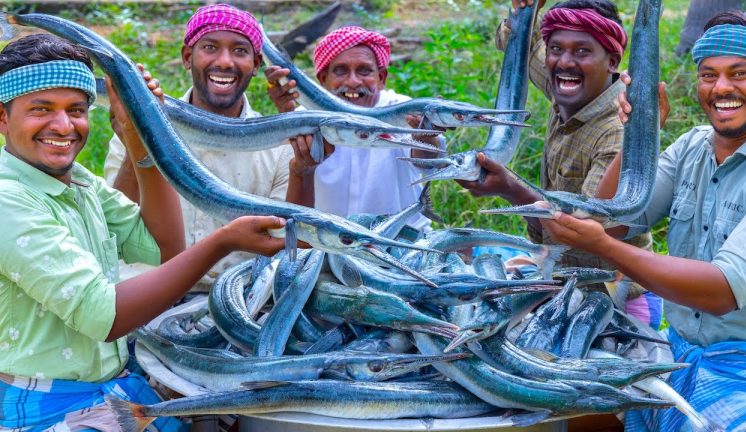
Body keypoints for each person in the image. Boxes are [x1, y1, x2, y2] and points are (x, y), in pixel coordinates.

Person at [0, 33, 285, 430]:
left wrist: (138, 134)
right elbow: (106, 316)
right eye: (41, 109)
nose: (63, 125)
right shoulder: (7, 199)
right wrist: (223, 242)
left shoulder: (79, 183)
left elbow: (163, 247)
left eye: (77, 110)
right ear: (2, 117)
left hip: (106, 391)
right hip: (41, 404)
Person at [541, 11, 746, 430]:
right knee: (578, 408)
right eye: (708, 75)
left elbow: (723, 289)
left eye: (740, 73)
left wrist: (603, 247)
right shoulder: (690, 148)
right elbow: (613, 219)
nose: (721, 88)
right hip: (675, 353)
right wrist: (639, 133)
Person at [459, 0, 664, 329]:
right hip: (561, 285)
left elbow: (578, 229)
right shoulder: (571, 86)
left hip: (617, 304)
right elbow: (519, 45)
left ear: (612, 61)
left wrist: (509, 187)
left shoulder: (617, 133)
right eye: (557, 49)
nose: (564, 62)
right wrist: (528, 8)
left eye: (582, 51)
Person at [104, 3, 298, 290]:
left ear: (256, 65)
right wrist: (138, 143)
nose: (224, 62)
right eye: (209, 47)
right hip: (147, 299)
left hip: (239, 300)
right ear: (187, 57)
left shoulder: (278, 145)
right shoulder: (138, 124)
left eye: (240, 51)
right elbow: (112, 228)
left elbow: (281, 243)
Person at [265, 26, 443, 230]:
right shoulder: (305, 119)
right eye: (340, 71)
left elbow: (428, 162)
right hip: (329, 245)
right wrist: (286, 117)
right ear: (323, 80)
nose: (352, 82)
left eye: (364, 71)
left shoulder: (401, 110)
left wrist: (427, 136)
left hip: (400, 244)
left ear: (381, 78)